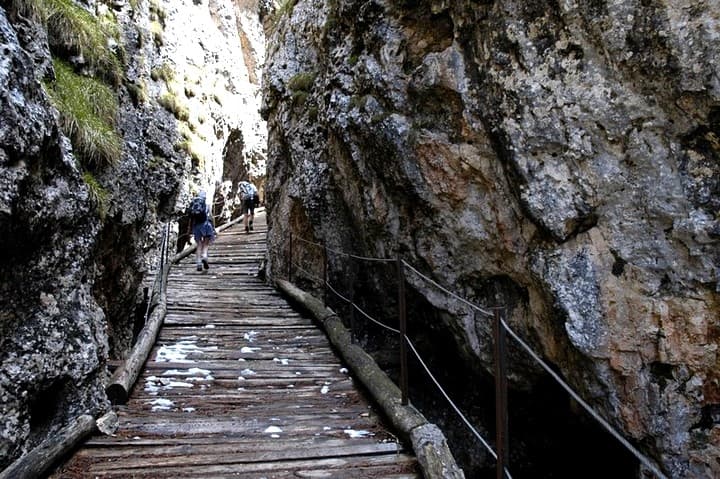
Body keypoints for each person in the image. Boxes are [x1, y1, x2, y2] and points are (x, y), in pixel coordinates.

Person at [187, 191, 216, 271]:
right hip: (206, 225)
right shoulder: (207, 206)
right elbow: (211, 217)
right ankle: (204, 256)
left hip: (197, 227)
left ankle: (199, 263)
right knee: (205, 244)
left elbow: (191, 219)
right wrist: (213, 228)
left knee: (199, 245)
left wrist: (189, 230)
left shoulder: (194, 206)